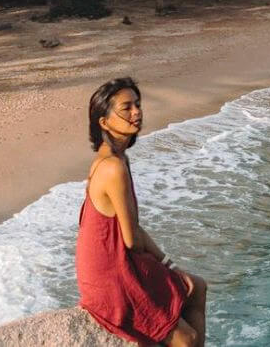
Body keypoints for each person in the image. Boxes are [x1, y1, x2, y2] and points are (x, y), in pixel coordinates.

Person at [75, 77, 208, 346]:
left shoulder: (115, 157)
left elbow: (131, 229)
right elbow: (132, 239)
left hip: (116, 261)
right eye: (126, 108)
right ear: (104, 121)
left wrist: (170, 267)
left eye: (137, 104)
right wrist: (170, 268)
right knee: (188, 338)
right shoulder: (113, 167)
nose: (137, 112)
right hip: (110, 276)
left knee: (198, 287)